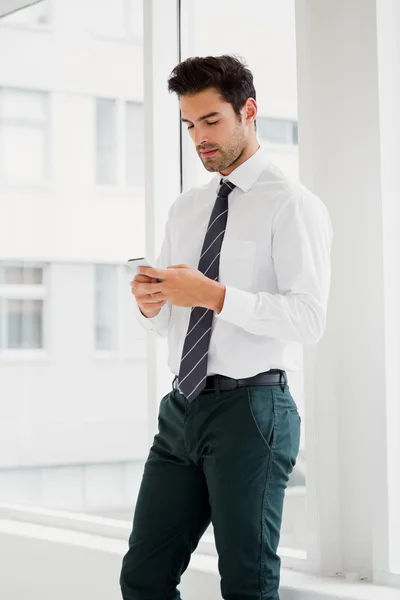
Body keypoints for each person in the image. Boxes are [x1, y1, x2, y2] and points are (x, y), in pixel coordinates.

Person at [120, 55, 333, 600]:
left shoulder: (292, 205)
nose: (200, 138)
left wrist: (213, 296)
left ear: (249, 111)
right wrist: (151, 304)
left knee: (246, 583)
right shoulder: (186, 208)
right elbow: (169, 316)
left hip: (252, 413)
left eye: (211, 121)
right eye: (190, 125)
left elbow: (308, 319)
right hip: (181, 411)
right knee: (142, 577)